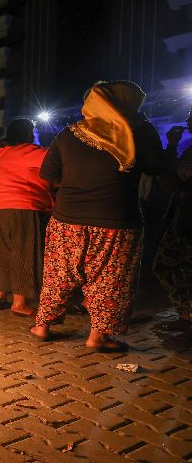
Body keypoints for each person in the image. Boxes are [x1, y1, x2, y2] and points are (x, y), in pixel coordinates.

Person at [30, 81, 166, 351]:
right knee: (109, 280)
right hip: (117, 221)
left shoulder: (70, 134)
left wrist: (75, 183)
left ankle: (42, 326)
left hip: (67, 220)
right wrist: (143, 127)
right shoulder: (138, 133)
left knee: (59, 274)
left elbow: (48, 173)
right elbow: (157, 167)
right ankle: (97, 337)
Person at [0, 119, 53, 316]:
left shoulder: (3, 154)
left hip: (0, 206)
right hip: (24, 205)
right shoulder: (34, 153)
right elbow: (57, 167)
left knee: (5, 251)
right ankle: (19, 302)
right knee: (24, 252)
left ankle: (0, 295)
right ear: (30, 134)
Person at [153, 108, 192, 346]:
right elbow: (172, 184)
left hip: (187, 221)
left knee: (170, 266)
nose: (187, 120)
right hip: (182, 219)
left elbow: (173, 182)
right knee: (169, 266)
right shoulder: (189, 150)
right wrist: (171, 147)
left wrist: (169, 149)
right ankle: (187, 315)